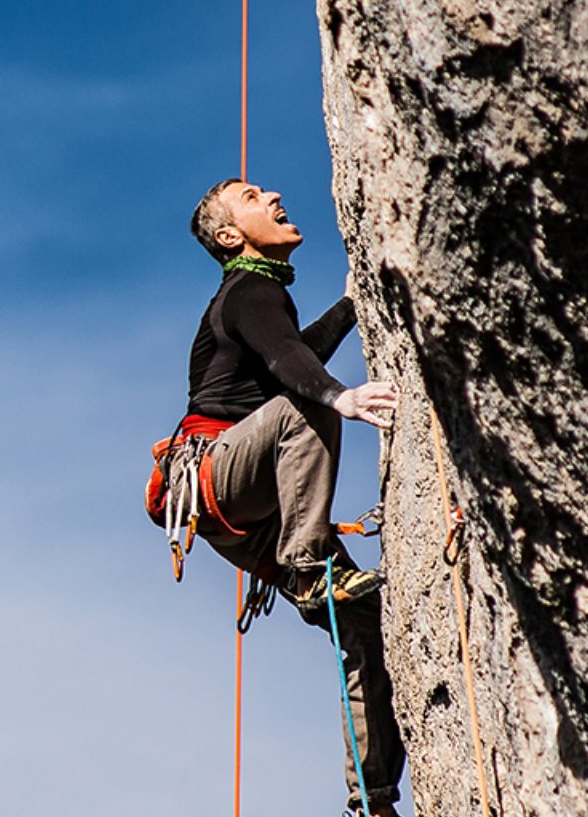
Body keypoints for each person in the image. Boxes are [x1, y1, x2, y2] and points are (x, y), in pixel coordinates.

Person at [153, 177, 407, 815]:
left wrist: (355, 304)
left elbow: (288, 353)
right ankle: (306, 566)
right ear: (230, 236)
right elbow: (297, 369)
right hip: (217, 477)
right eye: (249, 196)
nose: (270, 195)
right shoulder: (248, 288)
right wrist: (339, 398)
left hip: (242, 505)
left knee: (363, 625)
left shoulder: (256, 301)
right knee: (306, 402)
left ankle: (372, 794)